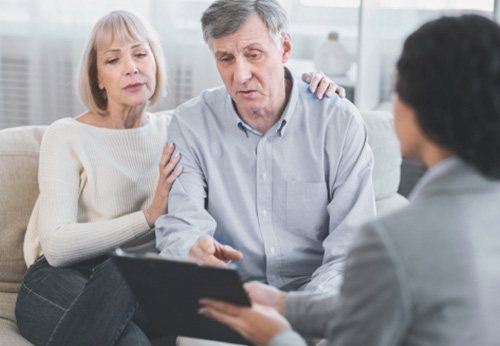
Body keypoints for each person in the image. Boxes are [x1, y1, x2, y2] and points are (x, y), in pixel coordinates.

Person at [13, 9, 341, 345]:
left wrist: (305, 82)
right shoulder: (66, 136)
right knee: (122, 275)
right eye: (113, 60)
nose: (132, 67)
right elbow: (54, 247)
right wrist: (148, 217)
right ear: (97, 77)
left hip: (139, 286)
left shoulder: (178, 128)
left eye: (141, 54)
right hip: (59, 280)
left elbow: (255, 84)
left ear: (155, 62)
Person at [197, 14, 500, 346]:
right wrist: (286, 305)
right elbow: (377, 308)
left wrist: (275, 336)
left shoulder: (393, 241)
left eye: (396, 88)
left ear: (427, 109)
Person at [155, 0, 376, 297]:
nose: (240, 75)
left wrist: (296, 311)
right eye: (225, 58)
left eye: (253, 55)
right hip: (232, 297)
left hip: (318, 297)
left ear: (284, 48)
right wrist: (192, 251)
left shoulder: (338, 122)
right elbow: (182, 227)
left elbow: (351, 250)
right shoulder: (191, 124)